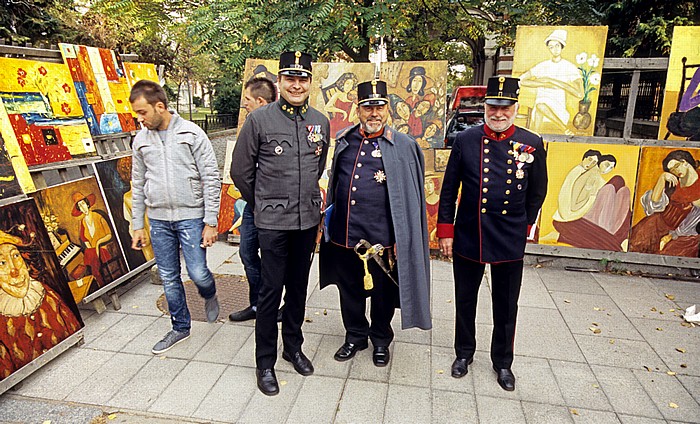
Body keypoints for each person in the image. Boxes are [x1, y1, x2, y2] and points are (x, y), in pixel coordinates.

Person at [437, 76, 548, 391]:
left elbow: (538, 190)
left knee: (506, 304)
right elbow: (449, 190)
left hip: (509, 236)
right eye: (493, 106)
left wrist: (524, 226)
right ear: (485, 106)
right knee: (465, 299)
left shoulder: (532, 142)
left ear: (515, 107)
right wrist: (446, 230)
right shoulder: (466, 140)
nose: (498, 114)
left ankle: (503, 362)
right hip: (470, 233)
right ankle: (464, 353)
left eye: (505, 107)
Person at [230, 51, 330, 396]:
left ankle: (293, 347)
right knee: (271, 292)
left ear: (309, 83)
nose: (297, 84)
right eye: (290, 78)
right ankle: (264, 362)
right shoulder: (260, 120)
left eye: (303, 79)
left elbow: (317, 168)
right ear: (280, 82)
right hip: (272, 223)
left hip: (306, 221)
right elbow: (240, 171)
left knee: (299, 290)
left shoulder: (320, 121)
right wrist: (263, 203)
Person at [319, 80, 431, 368]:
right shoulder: (345, 139)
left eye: (379, 106)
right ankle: (355, 335)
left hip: (383, 239)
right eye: (368, 107)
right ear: (358, 109)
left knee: (382, 295)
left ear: (387, 110)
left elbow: (412, 197)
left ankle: (381, 339)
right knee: (350, 291)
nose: (374, 113)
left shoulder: (404, 146)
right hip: (347, 235)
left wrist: (401, 237)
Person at [129, 80, 221, 355]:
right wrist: (137, 224)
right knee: (169, 275)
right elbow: (137, 183)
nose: (139, 118)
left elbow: (211, 177)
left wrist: (210, 221)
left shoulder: (192, 133)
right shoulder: (140, 141)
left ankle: (209, 292)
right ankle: (180, 326)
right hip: (158, 220)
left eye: (143, 112)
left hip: (191, 216)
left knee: (197, 272)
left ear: (160, 106)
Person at [228, 76, 281, 323]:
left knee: (280, 259)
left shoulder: (284, 124)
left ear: (260, 101)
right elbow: (240, 169)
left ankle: (279, 307)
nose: (244, 104)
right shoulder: (251, 123)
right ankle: (257, 304)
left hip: (279, 209)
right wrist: (255, 199)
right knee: (248, 253)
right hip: (254, 205)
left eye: (247, 100)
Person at [0, 229, 81, 380]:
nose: (13, 269)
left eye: (16, 256)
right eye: (1, 262)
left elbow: (72, 326)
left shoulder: (47, 294)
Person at [629, 149, 700, 256]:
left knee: (668, 253)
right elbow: (654, 203)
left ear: (685, 162)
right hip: (659, 223)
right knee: (636, 242)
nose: (675, 172)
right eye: (672, 170)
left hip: (684, 232)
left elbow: (695, 216)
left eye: (676, 166)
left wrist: (673, 235)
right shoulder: (673, 182)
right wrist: (662, 179)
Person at [519, 29, 584, 134]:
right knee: (539, 108)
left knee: (540, 106)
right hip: (540, 103)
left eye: (557, 46)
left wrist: (556, 82)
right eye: (551, 47)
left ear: (562, 46)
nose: (555, 49)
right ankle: (535, 140)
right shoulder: (542, 66)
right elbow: (522, 80)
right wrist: (545, 83)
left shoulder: (569, 67)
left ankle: (564, 129)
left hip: (557, 106)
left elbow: (579, 93)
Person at [72, 191, 116, 287]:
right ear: (79, 209)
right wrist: (92, 249)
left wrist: (98, 243)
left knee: (90, 255)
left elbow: (109, 234)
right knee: (89, 253)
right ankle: (96, 277)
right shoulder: (83, 222)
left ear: (87, 203)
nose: (83, 207)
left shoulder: (98, 216)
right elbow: (84, 239)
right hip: (94, 252)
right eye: (80, 206)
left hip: (104, 247)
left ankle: (97, 278)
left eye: (83, 203)